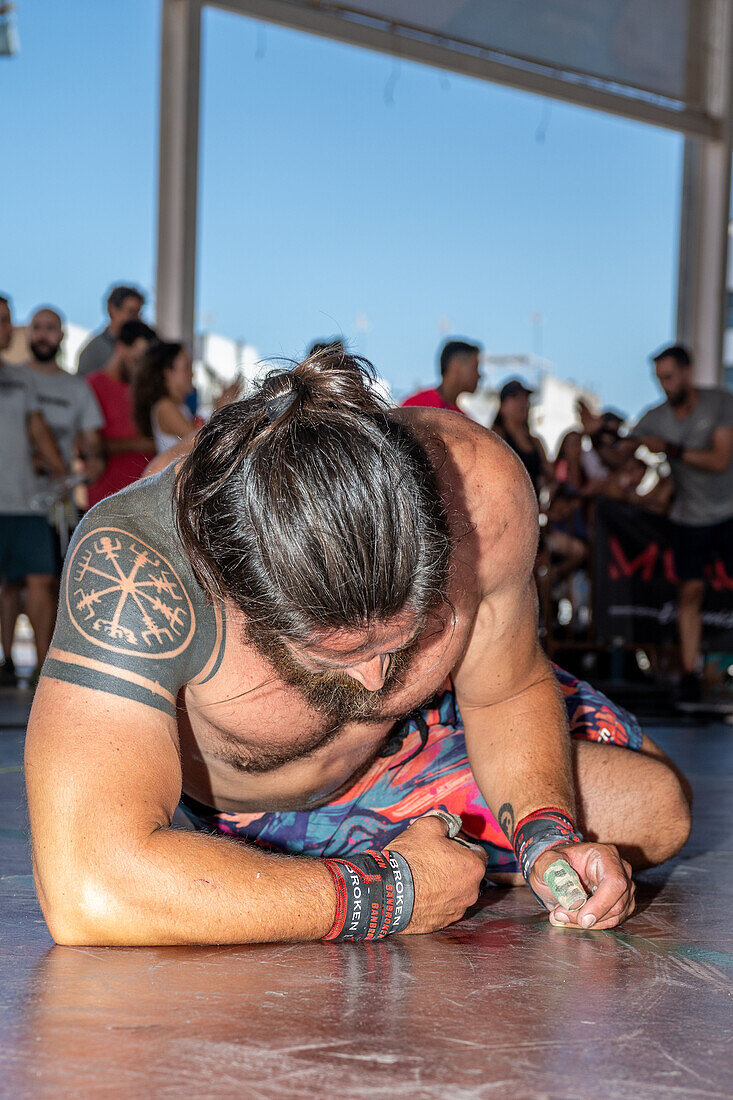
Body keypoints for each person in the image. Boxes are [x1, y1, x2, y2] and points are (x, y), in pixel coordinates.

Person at [27, 350, 691, 948]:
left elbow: (506, 689)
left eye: (402, 639)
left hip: (406, 749)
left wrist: (546, 837)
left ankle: (403, 844)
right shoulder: (139, 562)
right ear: (238, 593)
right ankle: (299, 865)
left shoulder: (477, 491)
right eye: (335, 655)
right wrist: (384, 893)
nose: (376, 682)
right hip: (237, 812)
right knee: (134, 889)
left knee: (653, 811)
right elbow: (88, 891)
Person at [0, 309, 105, 678]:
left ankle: (46, 668)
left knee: (45, 579)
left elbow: (83, 443)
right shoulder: (18, 376)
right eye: (37, 327)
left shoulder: (68, 387)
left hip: (50, 503)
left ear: (61, 336)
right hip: (17, 496)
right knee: (9, 585)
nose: (42, 335)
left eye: (51, 329)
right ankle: (9, 660)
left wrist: (72, 471)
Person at [633, 344, 733, 703]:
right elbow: (623, 447)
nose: (665, 385)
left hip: (729, 510)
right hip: (690, 518)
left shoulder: (720, 402)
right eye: (659, 379)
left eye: (670, 377)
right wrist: (600, 432)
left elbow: (720, 459)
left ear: (687, 373)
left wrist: (671, 450)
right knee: (690, 592)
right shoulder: (656, 416)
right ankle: (691, 672)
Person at [0, 296, 67, 687]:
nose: (7, 329)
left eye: (8, 320)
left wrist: (64, 473)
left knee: (41, 578)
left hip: (25, 501)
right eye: (2, 321)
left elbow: (38, 430)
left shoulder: (20, 377)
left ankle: (46, 672)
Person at [86, 320, 157, 508]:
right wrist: (144, 443)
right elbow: (88, 446)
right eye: (137, 359)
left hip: (144, 498)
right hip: (106, 502)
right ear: (120, 347)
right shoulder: (93, 386)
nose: (141, 368)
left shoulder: (143, 389)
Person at [132, 341, 202, 454]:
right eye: (186, 368)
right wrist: (221, 409)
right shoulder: (166, 407)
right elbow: (200, 443)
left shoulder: (177, 406)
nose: (192, 374)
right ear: (168, 373)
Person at [76, 285, 145, 378]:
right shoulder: (94, 350)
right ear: (112, 309)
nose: (135, 319)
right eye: (131, 312)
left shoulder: (145, 347)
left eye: (138, 314)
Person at [402, 340, 481, 413]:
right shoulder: (416, 405)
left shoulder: (463, 419)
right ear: (456, 366)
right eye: (475, 367)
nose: (479, 375)